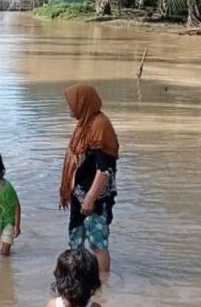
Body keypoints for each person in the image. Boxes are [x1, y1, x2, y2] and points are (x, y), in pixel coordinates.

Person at [60, 84, 119, 273]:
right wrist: (69, 191)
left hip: (95, 199)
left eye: (71, 103)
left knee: (97, 245)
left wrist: (90, 198)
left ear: (82, 102)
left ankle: (102, 288)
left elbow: (105, 170)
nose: (68, 107)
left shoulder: (100, 127)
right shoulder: (83, 124)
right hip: (79, 195)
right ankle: (77, 282)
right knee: (75, 240)